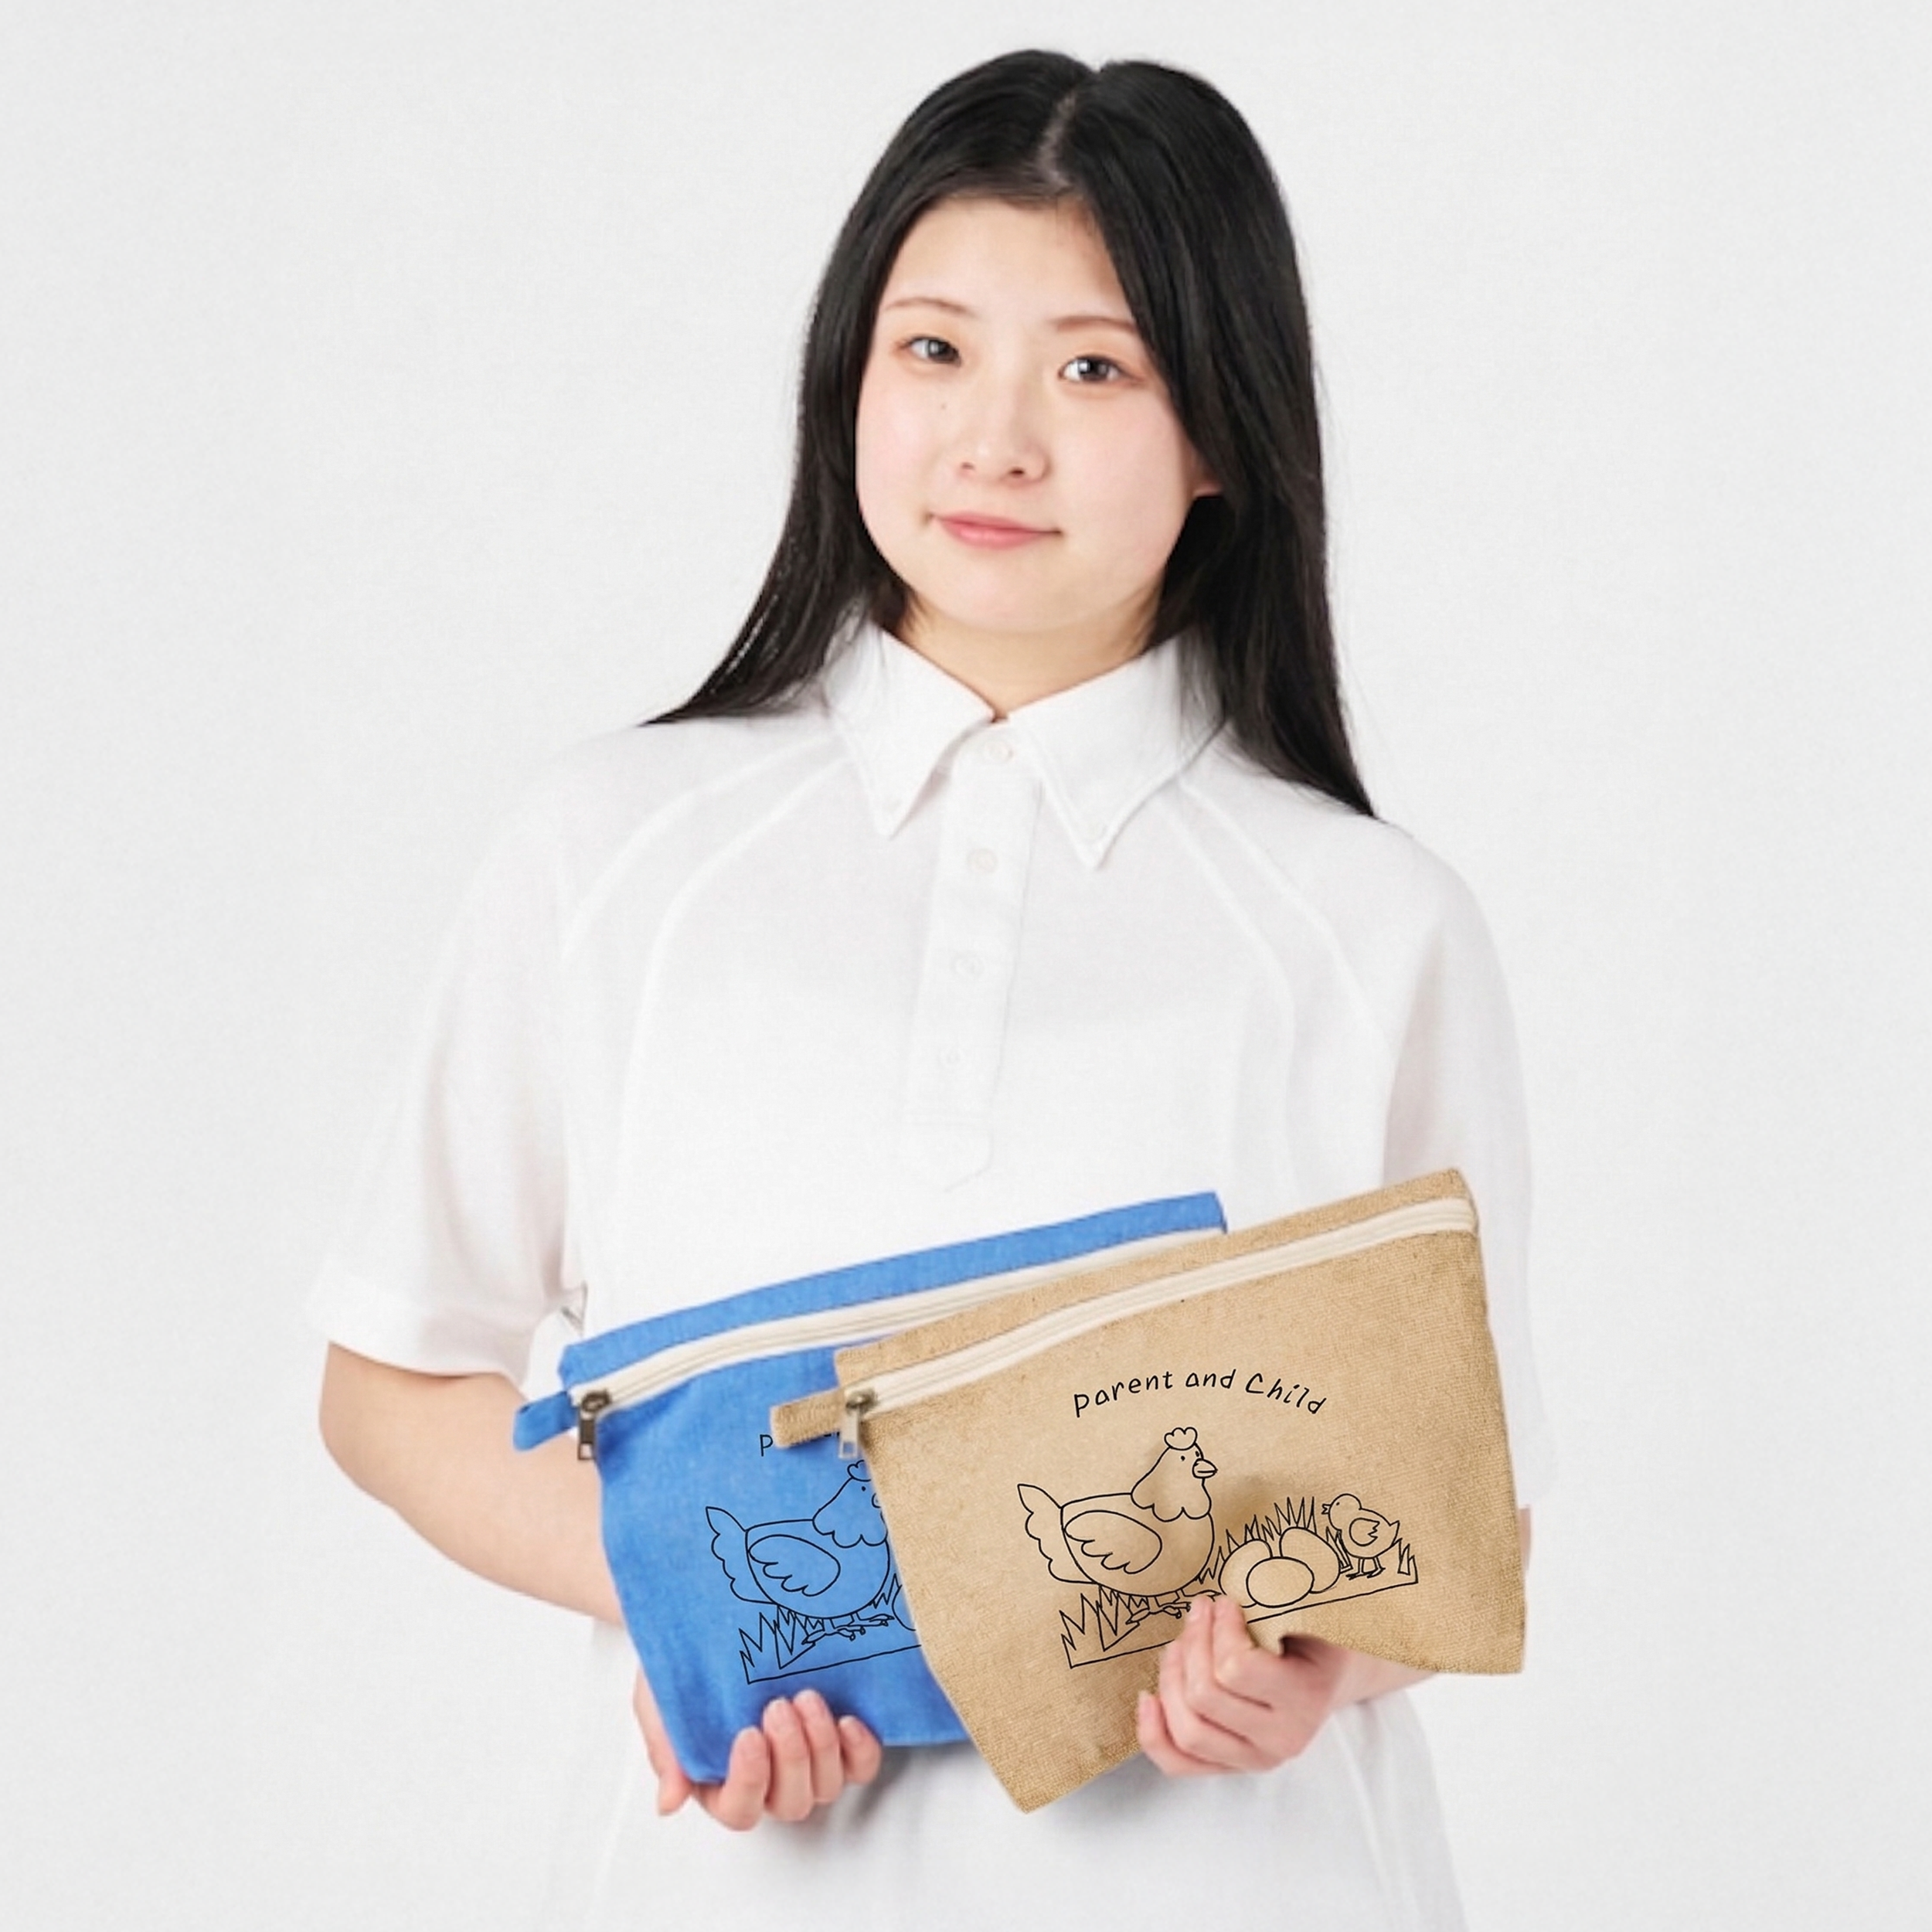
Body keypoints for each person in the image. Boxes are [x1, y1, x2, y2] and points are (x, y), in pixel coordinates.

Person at [313, 48, 1554, 1931]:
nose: (995, 441)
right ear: (848, 380)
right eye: (933, 350)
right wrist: (705, 1607)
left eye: (1093, 369)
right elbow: (394, 1374)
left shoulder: (1372, 921)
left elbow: (1471, 1508)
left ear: (1220, 431)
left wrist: (1312, 1664)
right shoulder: (616, 847)